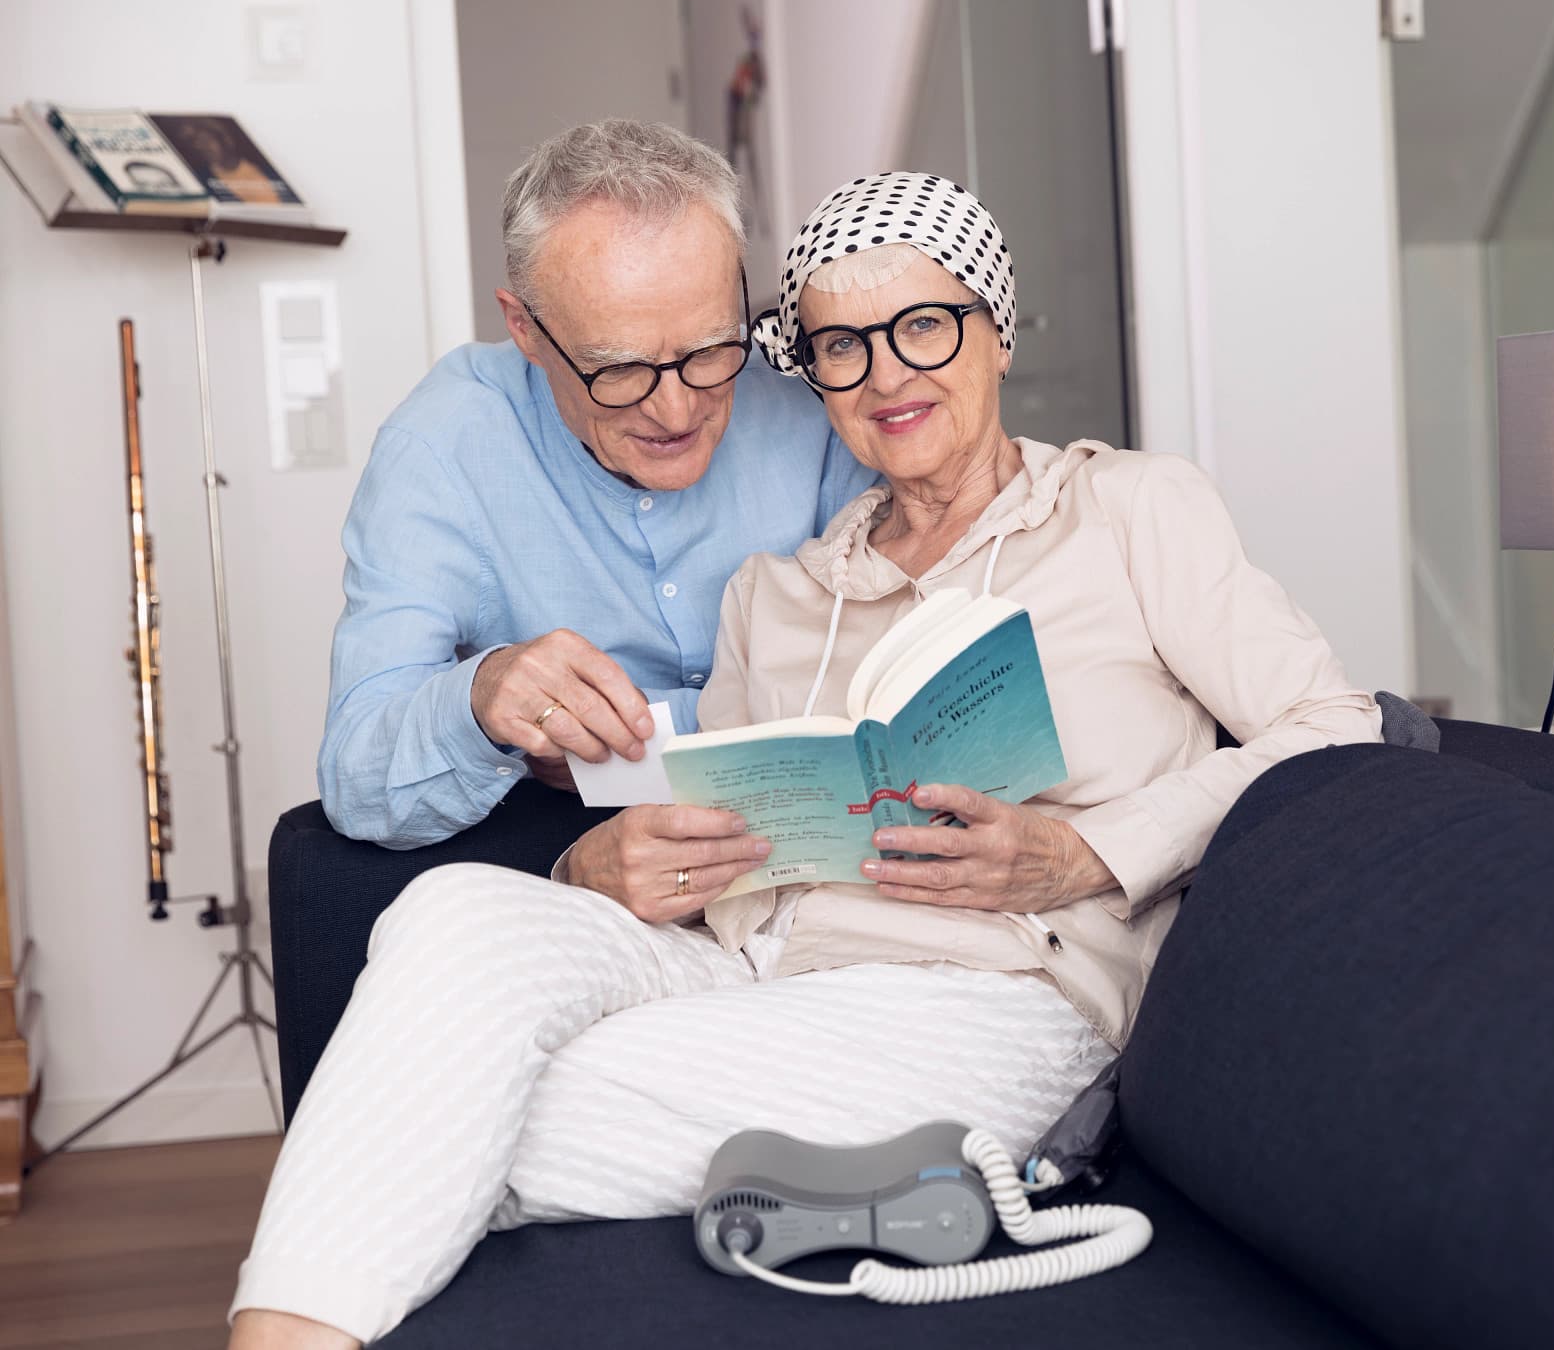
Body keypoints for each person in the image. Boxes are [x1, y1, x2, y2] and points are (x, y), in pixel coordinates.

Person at [227, 173, 1382, 1349]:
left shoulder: (1129, 510)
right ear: (810, 371)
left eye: (924, 325)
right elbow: (719, 846)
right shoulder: (774, 591)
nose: (886, 375)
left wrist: (1087, 850)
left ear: (997, 331)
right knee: (453, 912)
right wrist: (602, 864)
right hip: (757, 973)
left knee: (431, 1103)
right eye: (840, 344)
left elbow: (1334, 723)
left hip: (995, 993)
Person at [317, 119, 874, 849]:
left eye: (710, 349)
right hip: (567, 856)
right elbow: (359, 783)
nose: (677, 409)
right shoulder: (444, 447)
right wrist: (481, 702)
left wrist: (636, 739)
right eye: (618, 370)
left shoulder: (812, 391)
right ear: (524, 329)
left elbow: (880, 693)